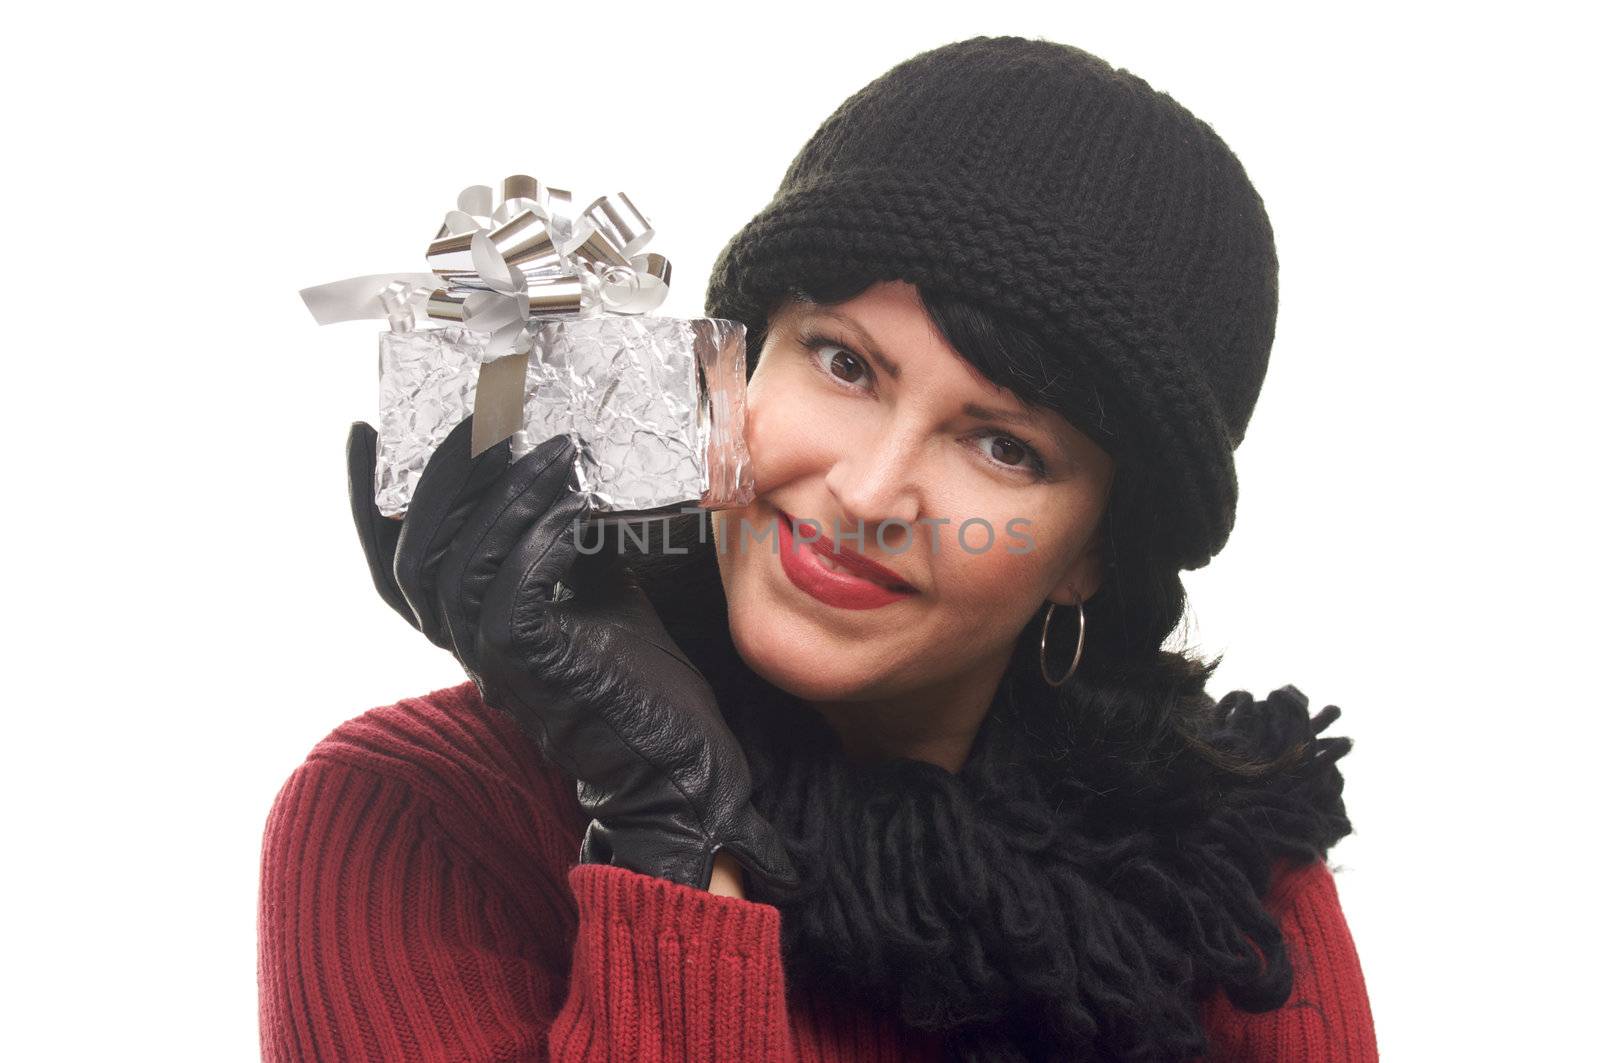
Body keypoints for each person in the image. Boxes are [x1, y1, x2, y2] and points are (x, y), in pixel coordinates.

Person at [257, 35, 1378, 1062]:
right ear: (731, 368)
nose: (870, 488)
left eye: (1002, 445)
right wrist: (669, 826)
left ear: (1093, 551)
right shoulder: (412, 821)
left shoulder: (1219, 886)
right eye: (844, 365)